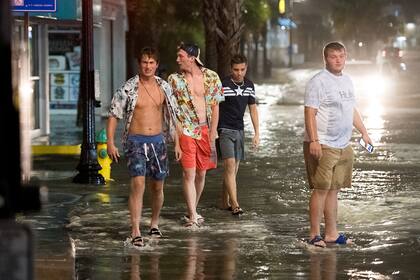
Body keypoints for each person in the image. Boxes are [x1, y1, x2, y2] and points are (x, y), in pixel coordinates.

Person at [107, 47, 181, 247]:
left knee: (158, 186)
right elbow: (114, 115)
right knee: (138, 184)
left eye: (151, 62)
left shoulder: (164, 87)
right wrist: (110, 142)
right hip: (135, 141)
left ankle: (154, 224)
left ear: (156, 65)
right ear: (139, 64)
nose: (148, 66)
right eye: (144, 62)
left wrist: (178, 143)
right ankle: (135, 230)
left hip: (158, 141)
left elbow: (174, 117)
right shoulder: (128, 88)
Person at [304, 41, 372, 247]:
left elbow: (352, 109)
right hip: (323, 143)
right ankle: (314, 234)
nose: (338, 60)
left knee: (334, 190)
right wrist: (314, 140)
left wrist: (364, 132)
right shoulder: (318, 81)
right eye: (333, 56)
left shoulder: (348, 81)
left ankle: (332, 233)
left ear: (345, 57)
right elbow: (310, 112)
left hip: (343, 144)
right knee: (321, 189)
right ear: (325, 58)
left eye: (341, 56)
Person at [168, 42, 223, 227]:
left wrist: (213, 132)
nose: (177, 60)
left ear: (191, 58)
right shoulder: (174, 79)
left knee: (201, 174)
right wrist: (176, 139)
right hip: (185, 129)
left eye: (181, 56)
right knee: (188, 173)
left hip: (205, 129)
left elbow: (215, 107)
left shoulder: (211, 77)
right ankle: (192, 216)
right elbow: (172, 112)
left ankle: (192, 209)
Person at [217, 54, 259, 215]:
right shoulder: (224, 84)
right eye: (236, 69)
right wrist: (213, 130)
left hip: (240, 130)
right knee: (229, 166)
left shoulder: (249, 85)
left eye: (242, 69)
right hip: (224, 129)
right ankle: (235, 204)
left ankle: (223, 202)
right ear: (230, 69)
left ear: (246, 68)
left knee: (233, 170)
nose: (239, 73)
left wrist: (257, 133)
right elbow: (214, 107)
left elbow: (253, 109)